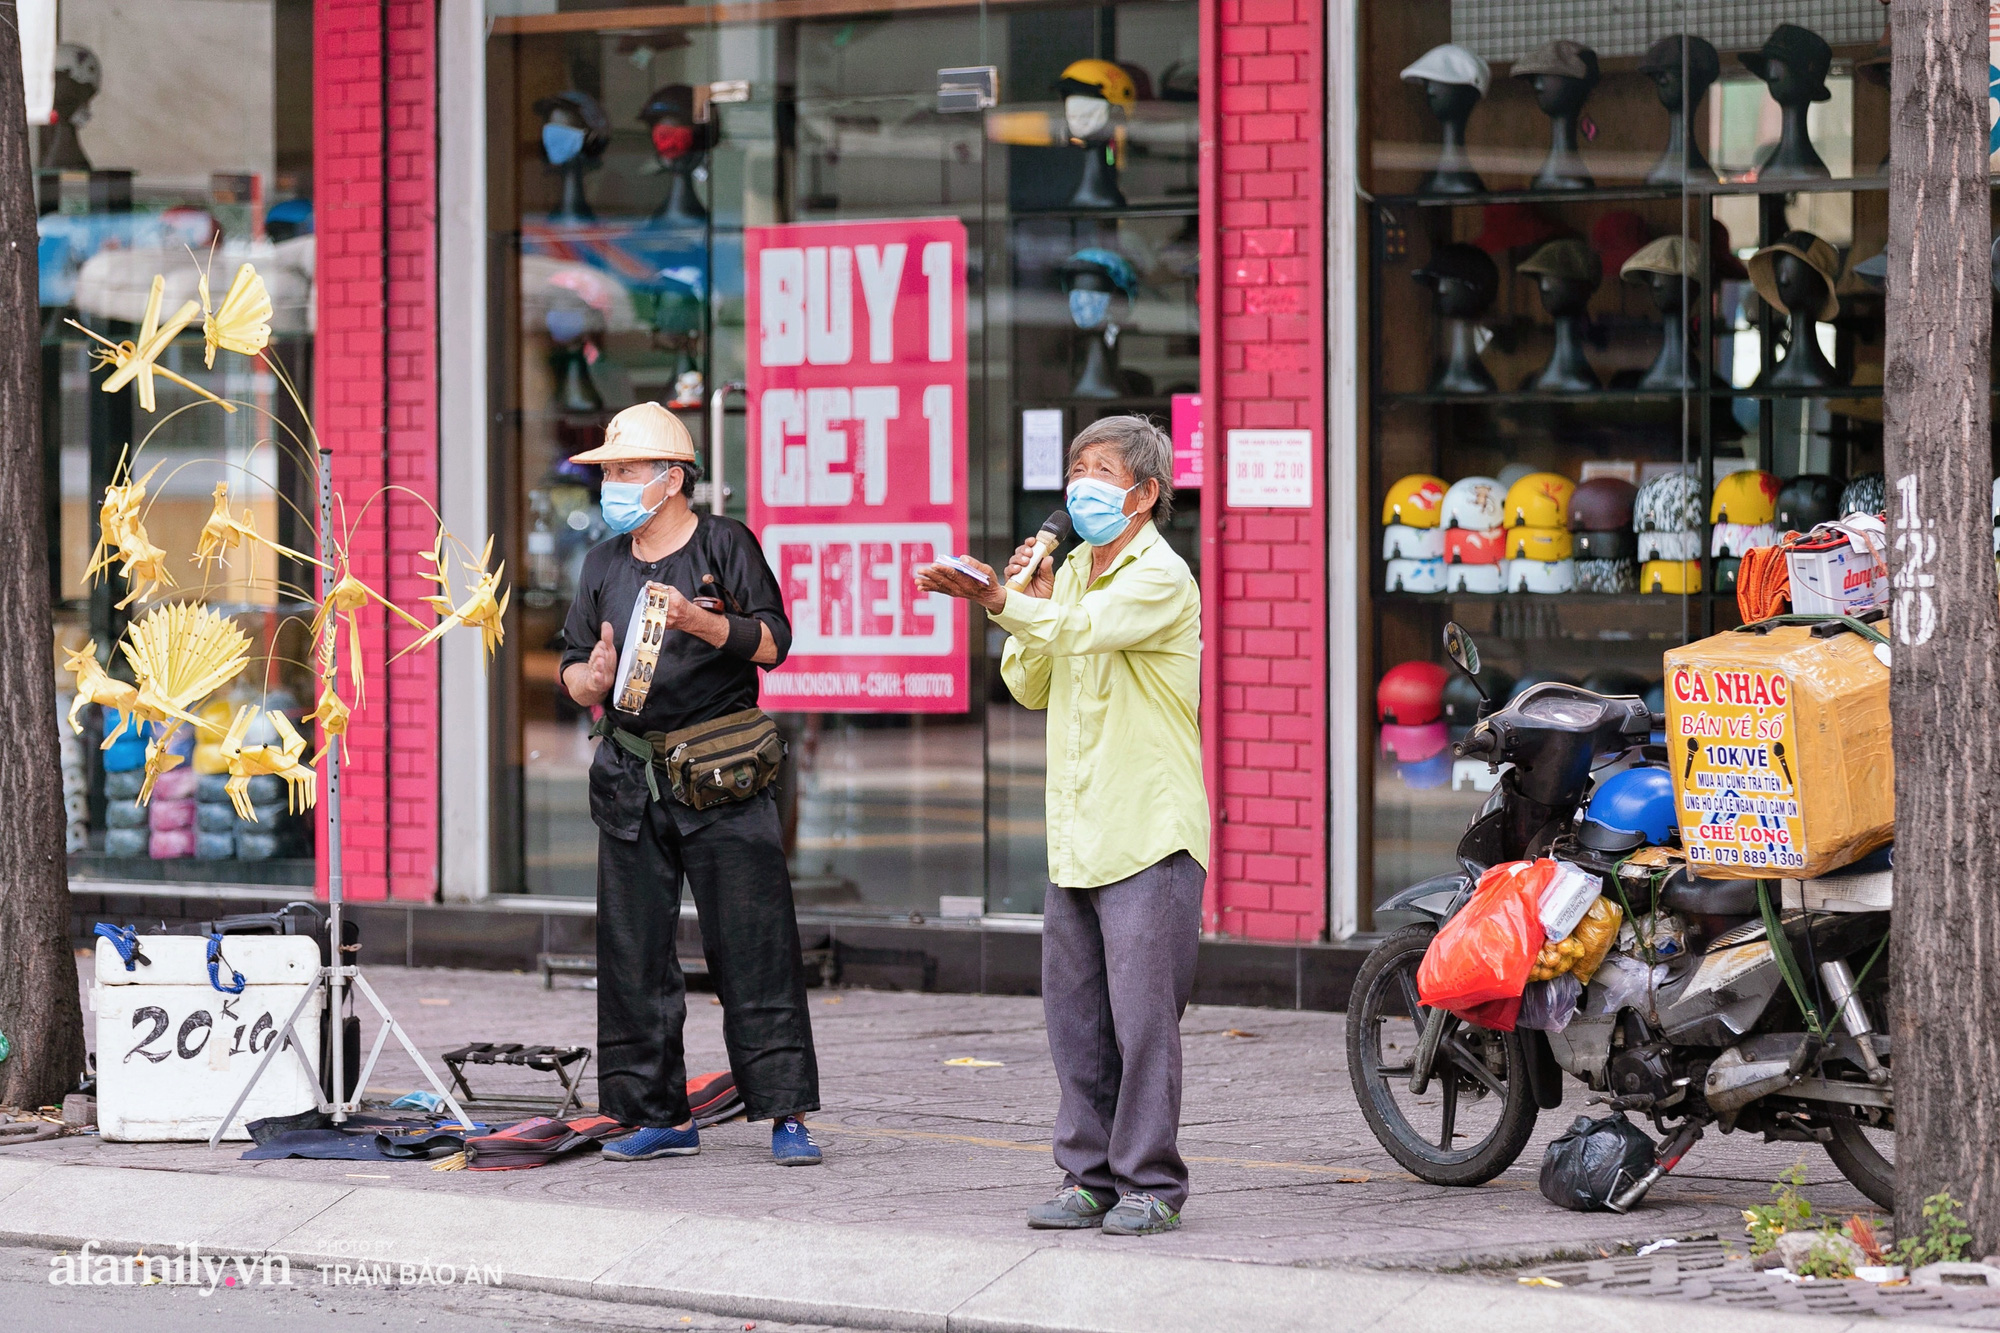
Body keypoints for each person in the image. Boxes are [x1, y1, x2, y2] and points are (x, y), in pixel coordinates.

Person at [915, 415, 1207, 1236]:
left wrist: (1007, 601)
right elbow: (1033, 682)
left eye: (1103, 469)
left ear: (1144, 494)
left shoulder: (1162, 576)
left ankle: (1151, 1181)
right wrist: (1029, 601)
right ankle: (1088, 1177)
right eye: (1077, 465)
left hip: (1149, 831)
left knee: (1144, 1020)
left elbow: (1085, 632)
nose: (1082, 483)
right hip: (1076, 832)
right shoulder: (1073, 569)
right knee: (1075, 1017)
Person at [559, 402, 823, 1166]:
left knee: (754, 943)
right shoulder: (603, 562)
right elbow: (575, 665)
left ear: (672, 478)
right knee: (633, 951)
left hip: (722, 776)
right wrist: (592, 678)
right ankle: (657, 1113)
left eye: (623, 469)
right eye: (605, 471)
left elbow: (774, 641)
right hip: (629, 776)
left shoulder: (724, 543)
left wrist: (699, 622)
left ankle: (785, 1112)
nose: (610, 482)